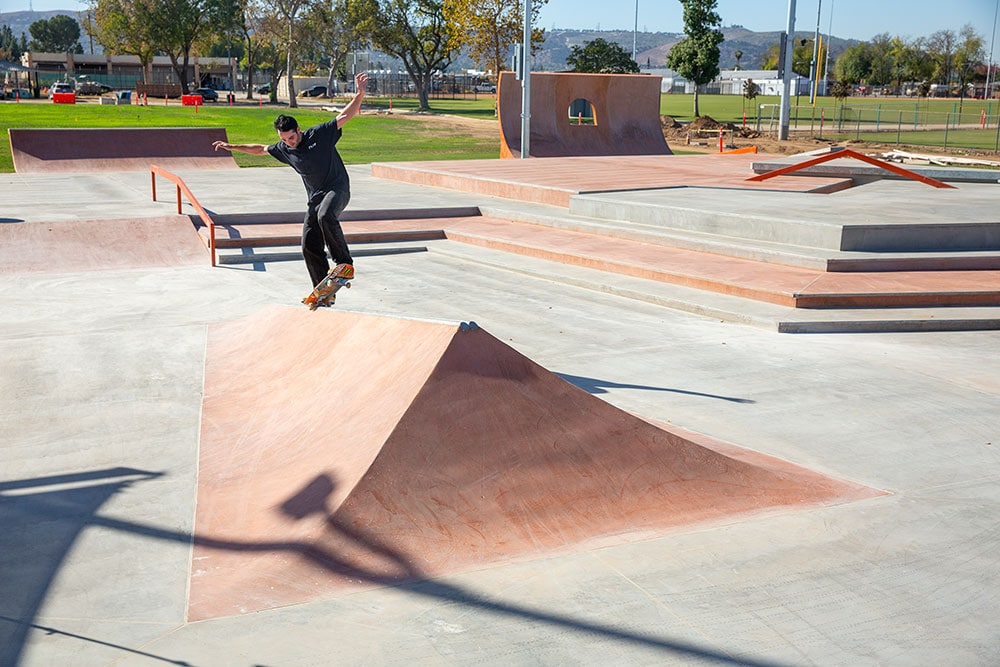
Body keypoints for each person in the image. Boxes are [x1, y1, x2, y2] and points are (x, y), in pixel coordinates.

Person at [213, 71, 369, 289]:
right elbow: (259, 149)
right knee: (308, 244)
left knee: (326, 215)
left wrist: (359, 95)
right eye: (284, 139)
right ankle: (323, 289)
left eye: (292, 137)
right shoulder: (285, 148)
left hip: (338, 189)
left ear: (299, 130)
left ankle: (344, 264)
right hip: (315, 197)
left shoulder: (319, 134)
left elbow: (345, 117)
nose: (290, 142)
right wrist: (233, 146)